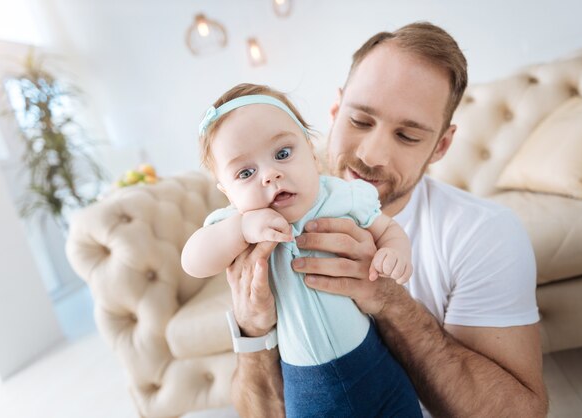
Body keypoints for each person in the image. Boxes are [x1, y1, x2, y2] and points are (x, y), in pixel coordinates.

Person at [224, 22, 549, 418]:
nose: (373, 154)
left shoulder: (485, 234)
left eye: (408, 136)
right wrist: (253, 331)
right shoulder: (261, 223)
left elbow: (522, 413)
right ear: (335, 110)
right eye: (360, 121)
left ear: (441, 146)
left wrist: (390, 302)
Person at [181, 84, 423, 417]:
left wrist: (396, 252)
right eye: (246, 173)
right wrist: (240, 229)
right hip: (307, 384)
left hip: (373, 362)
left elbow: (387, 228)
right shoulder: (240, 223)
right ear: (227, 192)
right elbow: (192, 260)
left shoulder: (341, 196)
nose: (270, 175)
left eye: (282, 154)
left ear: (311, 153)